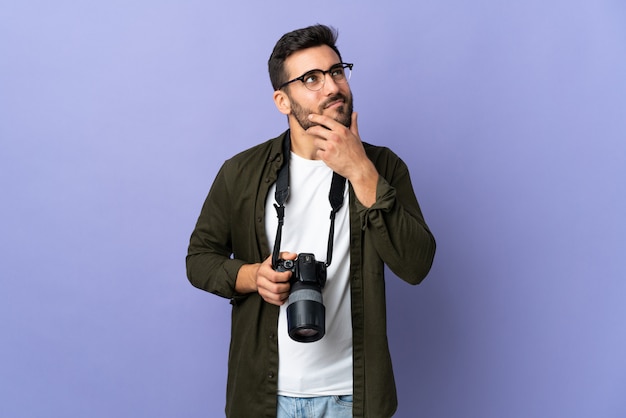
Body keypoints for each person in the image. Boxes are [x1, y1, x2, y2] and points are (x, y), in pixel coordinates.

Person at [186, 24, 436, 418]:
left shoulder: (383, 166)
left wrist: (361, 172)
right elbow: (198, 259)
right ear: (282, 101)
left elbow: (417, 264)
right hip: (265, 397)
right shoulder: (241, 173)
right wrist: (254, 276)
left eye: (337, 72)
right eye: (311, 79)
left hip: (353, 398)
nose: (332, 87)